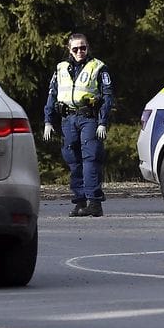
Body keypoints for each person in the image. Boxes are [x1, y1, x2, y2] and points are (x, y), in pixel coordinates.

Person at [42, 33, 114, 217]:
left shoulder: (98, 67)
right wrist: (48, 121)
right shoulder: (60, 69)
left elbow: (107, 97)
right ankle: (80, 202)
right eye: (75, 48)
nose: (80, 51)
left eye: (83, 48)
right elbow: (52, 95)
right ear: (69, 49)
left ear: (88, 47)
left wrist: (102, 122)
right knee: (73, 160)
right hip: (67, 119)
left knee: (91, 158)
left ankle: (94, 202)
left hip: (89, 117)